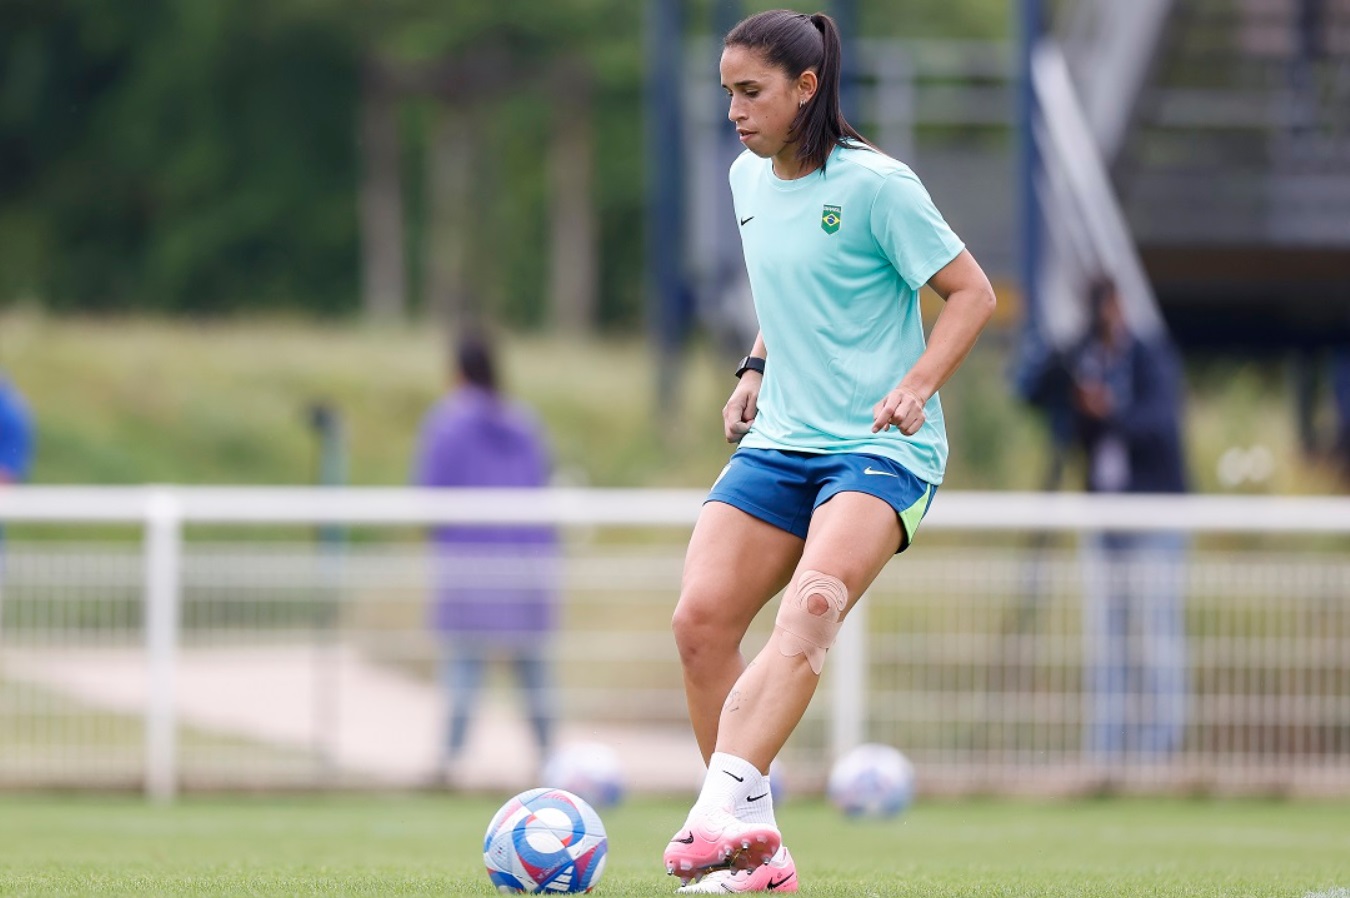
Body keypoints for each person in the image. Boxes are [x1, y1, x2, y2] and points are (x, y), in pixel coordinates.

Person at [665, 10, 996, 893]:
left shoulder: (881, 185)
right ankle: (755, 847)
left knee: (813, 604)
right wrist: (755, 365)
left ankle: (713, 814)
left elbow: (971, 294)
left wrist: (919, 384)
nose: (734, 111)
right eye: (727, 93)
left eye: (751, 92)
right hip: (782, 441)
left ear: (805, 88)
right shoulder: (745, 179)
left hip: (881, 448)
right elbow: (796, 283)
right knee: (699, 625)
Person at [413, 328, 560, 786]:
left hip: (467, 563)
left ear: (456, 369)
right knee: (533, 672)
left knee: (462, 667)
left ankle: (450, 762)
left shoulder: (446, 421)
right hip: (528, 561)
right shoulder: (524, 422)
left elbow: (429, 496)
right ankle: (551, 761)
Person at [1070, 276, 1189, 762]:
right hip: (1105, 513)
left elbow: (1161, 424)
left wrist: (1108, 410)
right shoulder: (1083, 358)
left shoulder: (1149, 355)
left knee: (1158, 637)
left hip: (1153, 512)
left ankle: (1158, 757)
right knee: (1106, 641)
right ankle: (1106, 758)